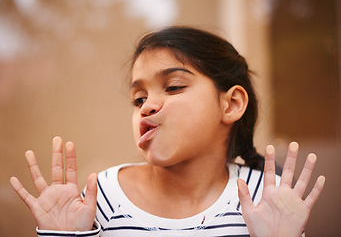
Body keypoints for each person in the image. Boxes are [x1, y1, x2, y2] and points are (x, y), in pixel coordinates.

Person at [10, 26, 325, 237]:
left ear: (231, 104)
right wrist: (64, 234)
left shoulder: (267, 199)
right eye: (139, 98)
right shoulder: (104, 195)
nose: (146, 107)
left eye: (173, 87)